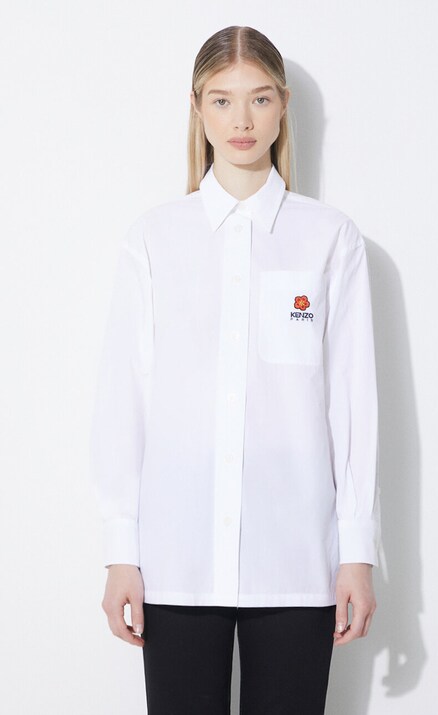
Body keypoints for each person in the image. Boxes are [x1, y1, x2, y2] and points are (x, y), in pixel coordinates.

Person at [89, 25, 381, 715]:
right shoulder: (154, 239)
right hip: (176, 560)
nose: (241, 120)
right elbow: (126, 399)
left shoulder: (330, 238)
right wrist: (121, 549)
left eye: (259, 98)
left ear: (283, 106)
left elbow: (352, 403)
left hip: (297, 561)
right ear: (197, 109)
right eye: (221, 100)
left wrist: (357, 553)